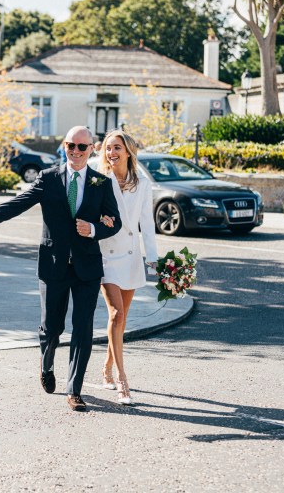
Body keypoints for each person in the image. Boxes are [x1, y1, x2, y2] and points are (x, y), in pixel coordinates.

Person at [0, 126, 122, 412]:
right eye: (70, 146)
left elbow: (115, 221)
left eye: (82, 147)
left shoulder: (101, 183)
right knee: (52, 329)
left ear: (92, 149)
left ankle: (75, 391)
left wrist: (94, 229)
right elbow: (17, 204)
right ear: (64, 146)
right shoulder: (48, 179)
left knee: (83, 329)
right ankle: (46, 364)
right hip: (54, 265)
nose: (75, 151)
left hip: (87, 268)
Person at [97, 129, 158, 405]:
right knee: (115, 315)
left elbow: (147, 223)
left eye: (117, 148)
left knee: (121, 321)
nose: (112, 153)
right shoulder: (99, 181)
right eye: (108, 148)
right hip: (106, 256)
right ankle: (123, 380)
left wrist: (153, 257)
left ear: (128, 151)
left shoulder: (142, 184)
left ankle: (107, 366)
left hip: (131, 257)